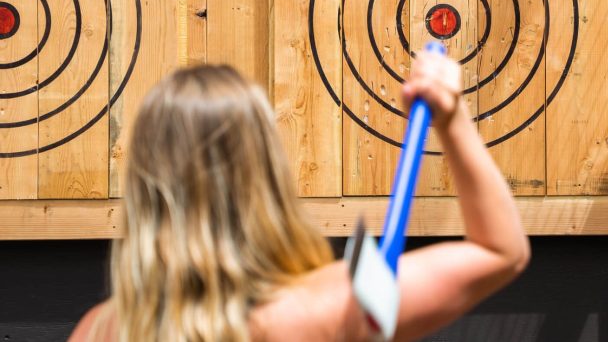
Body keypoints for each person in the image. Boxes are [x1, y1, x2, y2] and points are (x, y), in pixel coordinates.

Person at [70, 51, 531, 341]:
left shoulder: (99, 330)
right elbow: (500, 251)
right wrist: (451, 119)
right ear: (264, 171)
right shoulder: (336, 307)